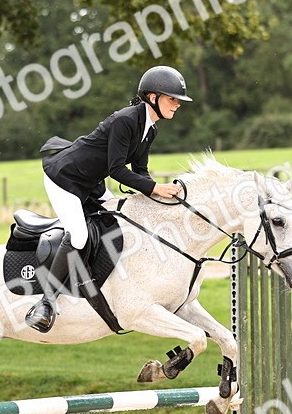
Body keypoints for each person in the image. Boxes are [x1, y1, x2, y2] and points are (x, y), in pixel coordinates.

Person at [26, 65, 193, 333]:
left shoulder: (150, 129)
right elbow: (117, 170)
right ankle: (45, 302)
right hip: (65, 178)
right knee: (78, 235)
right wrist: (155, 189)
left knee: (118, 217)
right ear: (152, 97)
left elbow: (139, 171)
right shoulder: (125, 120)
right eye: (172, 98)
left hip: (91, 182)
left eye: (178, 100)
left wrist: (160, 201)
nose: (177, 105)